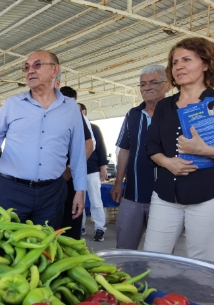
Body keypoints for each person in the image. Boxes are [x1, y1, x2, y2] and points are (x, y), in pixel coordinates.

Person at [143, 37, 214, 262]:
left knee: (200, 262)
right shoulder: (164, 106)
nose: (178, 66)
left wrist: (204, 150)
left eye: (187, 60)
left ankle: (194, 299)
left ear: (206, 64)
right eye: (174, 62)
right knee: (153, 257)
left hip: (209, 196)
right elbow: (151, 145)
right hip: (165, 195)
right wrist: (167, 162)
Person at [0, 51, 87, 228]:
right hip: (12, 191)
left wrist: (80, 191)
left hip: (51, 193)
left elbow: (78, 153)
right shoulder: (13, 104)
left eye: (37, 65)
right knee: (5, 246)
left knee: (44, 247)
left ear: (55, 70)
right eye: (26, 67)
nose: (30, 70)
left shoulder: (71, 109)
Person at [111, 65, 170, 250]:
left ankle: (157, 280)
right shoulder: (133, 115)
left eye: (154, 82)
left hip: (167, 196)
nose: (147, 87)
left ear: (168, 85)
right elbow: (124, 150)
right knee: (125, 247)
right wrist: (118, 182)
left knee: (162, 250)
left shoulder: (176, 113)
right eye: (143, 84)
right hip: (133, 194)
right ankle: (125, 279)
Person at [58, 86, 94, 239]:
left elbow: (89, 145)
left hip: (69, 179)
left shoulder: (76, 116)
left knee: (70, 225)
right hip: (45, 181)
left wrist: (70, 168)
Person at [81, 106, 109, 242]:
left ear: (84, 112)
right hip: (76, 171)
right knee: (77, 201)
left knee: (96, 201)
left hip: (92, 170)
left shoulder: (94, 128)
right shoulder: (70, 127)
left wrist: (103, 166)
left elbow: (101, 147)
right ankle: (80, 226)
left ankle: (100, 228)